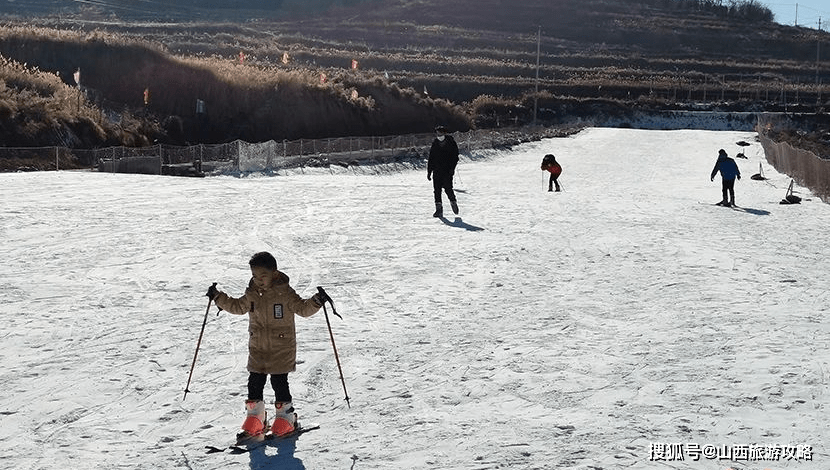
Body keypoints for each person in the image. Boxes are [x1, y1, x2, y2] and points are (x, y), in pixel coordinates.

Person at [207, 251, 325, 441]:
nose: (259, 280)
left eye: (263, 276)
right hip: (258, 348)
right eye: (255, 276)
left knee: (279, 383)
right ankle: (255, 420)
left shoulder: (285, 293)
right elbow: (238, 306)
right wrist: (218, 297)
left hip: (281, 347)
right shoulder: (252, 293)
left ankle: (285, 420)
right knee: (254, 383)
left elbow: (303, 308)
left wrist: (316, 301)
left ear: (275, 274)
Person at [427, 125, 459, 217]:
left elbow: (455, 157)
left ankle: (453, 202)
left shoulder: (451, 142)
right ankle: (439, 209)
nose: (438, 134)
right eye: (437, 133)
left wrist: (452, 168)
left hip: (447, 170)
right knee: (437, 190)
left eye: (440, 133)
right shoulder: (435, 143)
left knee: (448, 188)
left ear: (444, 133)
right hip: (437, 170)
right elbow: (431, 158)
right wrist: (429, 171)